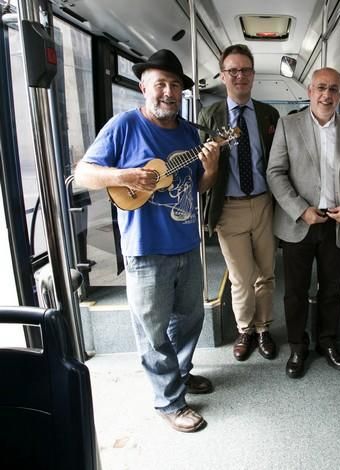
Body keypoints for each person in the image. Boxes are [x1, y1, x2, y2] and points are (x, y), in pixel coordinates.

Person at [75, 49, 221, 433]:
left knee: (190, 320)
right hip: (144, 250)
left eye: (175, 85)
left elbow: (198, 187)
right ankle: (169, 402)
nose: (168, 92)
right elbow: (84, 174)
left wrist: (211, 169)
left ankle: (180, 375)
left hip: (187, 245)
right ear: (144, 87)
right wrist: (123, 177)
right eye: (161, 84)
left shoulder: (190, 132)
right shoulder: (124, 126)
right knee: (153, 332)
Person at [266, 67, 340, 379]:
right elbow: (275, 173)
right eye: (321, 88)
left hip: (337, 223)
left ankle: (328, 342)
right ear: (309, 91)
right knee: (295, 290)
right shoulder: (288, 125)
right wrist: (300, 209)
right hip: (300, 222)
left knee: (332, 290)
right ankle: (298, 345)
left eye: (334, 89)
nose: (327, 95)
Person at [198, 44, 280, 362]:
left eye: (245, 70)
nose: (239, 76)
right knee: (241, 277)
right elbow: (201, 172)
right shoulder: (210, 116)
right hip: (228, 206)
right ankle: (244, 329)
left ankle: (264, 329)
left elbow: (277, 161)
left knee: (267, 273)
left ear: (253, 75)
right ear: (222, 76)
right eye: (233, 70)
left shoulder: (268, 115)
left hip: (263, 204)